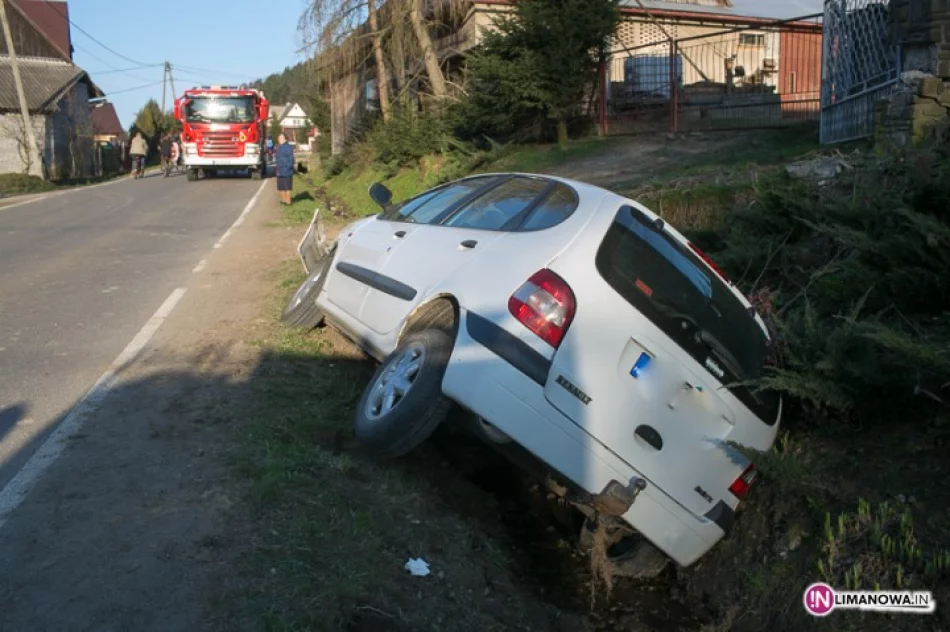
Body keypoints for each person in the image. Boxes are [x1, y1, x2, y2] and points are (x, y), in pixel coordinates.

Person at [275, 134, 295, 205]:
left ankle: (288, 201)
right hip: (279, 170)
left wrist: (287, 168)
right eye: (279, 137)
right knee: (281, 187)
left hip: (286, 170)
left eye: (281, 138)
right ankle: (283, 200)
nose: (279, 139)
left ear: (285, 139)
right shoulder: (278, 147)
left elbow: (291, 159)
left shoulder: (289, 147)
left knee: (287, 187)